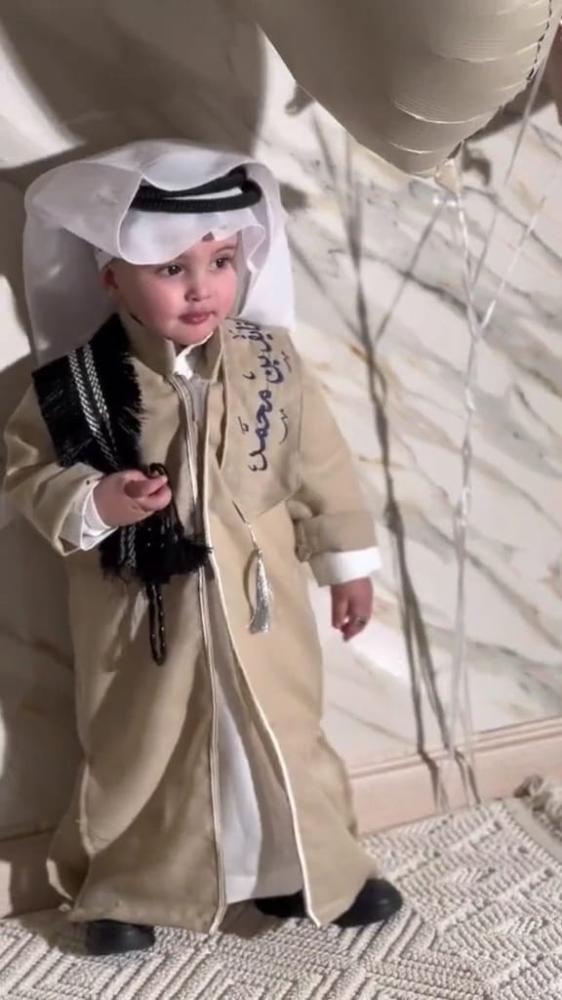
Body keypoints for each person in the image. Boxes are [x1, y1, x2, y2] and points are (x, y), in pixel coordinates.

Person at [3, 140, 403, 956]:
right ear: (112, 276)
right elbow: (26, 472)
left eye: (220, 261)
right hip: (139, 617)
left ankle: (306, 867)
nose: (202, 287)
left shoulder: (270, 364)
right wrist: (100, 501)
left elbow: (319, 465)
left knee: (282, 728)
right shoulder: (76, 384)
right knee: (138, 748)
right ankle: (126, 886)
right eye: (171, 268)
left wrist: (346, 567)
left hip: (262, 606)